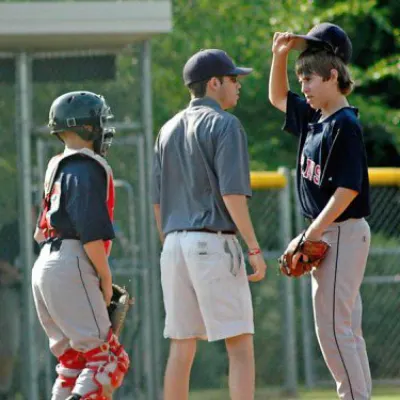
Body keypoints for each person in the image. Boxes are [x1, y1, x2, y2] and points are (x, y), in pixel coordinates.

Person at [152, 49, 267, 400]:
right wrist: (254, 248)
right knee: (240, 345)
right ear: (214, 83)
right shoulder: (226, 125)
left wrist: (171, 244)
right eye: (234, 79)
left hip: (173, 245)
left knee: (182, 347)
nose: (238, 86)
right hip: (212, 242)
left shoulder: (167, 128)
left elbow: (157, 202)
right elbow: (233, 195)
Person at [269, 23, 371, 400]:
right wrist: (280, 55)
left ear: (333, 75)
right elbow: (278, 97)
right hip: (332, 231)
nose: (304, 87)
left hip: (340, 230)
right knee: (344, 327)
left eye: (309, 78)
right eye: (301, 78)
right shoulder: (316, 118)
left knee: (333, 328)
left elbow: (347, 190)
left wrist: (311, 234)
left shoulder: (344, 124)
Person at [32, 91, 129, 400]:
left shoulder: (57, 166)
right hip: (72, 261)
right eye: (100, 123)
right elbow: (89, 232)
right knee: (107, 360)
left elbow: (42, 229)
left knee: (73, 363)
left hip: (45, 265)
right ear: (88, 128)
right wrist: (104, 277)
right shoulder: (86, 167)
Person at [0, 204, 40, 400]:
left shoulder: (46, 233)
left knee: (40, 345)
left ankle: (40, 387)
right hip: (12, 293)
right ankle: (5, 391)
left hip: (37, 297)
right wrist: (20, 277)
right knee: (9, 343)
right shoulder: (10, 231)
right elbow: (3, 263)